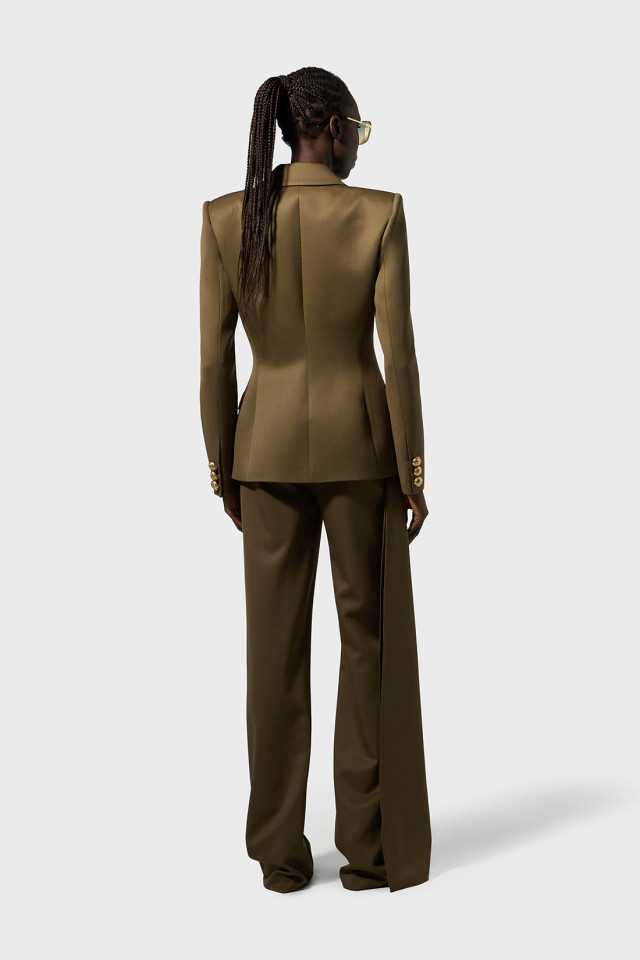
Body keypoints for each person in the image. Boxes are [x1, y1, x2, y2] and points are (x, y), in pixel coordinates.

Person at [199, 66, 432, 894]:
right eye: (356, 131)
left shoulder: (227, 218)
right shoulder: (379, 214)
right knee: (367, 645)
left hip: (262, 456)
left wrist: (223, 470)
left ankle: (279, 853)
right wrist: (414, 469)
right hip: (360, 454)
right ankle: (369, 850)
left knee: (272, 654)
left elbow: (213, 361)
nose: (357, 147)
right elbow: (399, 357)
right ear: (328, 128)